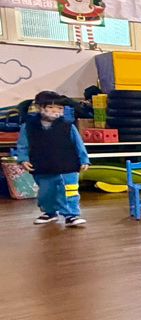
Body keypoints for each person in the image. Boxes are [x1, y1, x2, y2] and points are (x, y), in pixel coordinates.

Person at [15, 90, 90, 227]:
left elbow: (78, 143)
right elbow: (22, 145)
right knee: (46, 192)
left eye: (60, 108)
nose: (55, 111)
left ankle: (71, 215)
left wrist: (84, 159)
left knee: (69, 191)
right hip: (42, 166)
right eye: (50, 107)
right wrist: (23, 159)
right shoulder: (28, 127)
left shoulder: (68, 126)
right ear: (39, 108)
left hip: (67, 165)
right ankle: (49, 212)